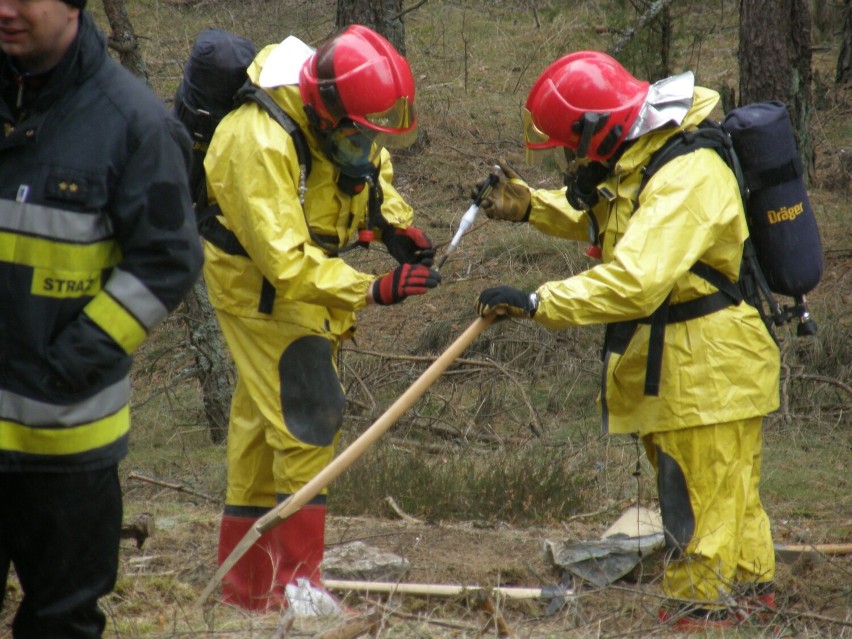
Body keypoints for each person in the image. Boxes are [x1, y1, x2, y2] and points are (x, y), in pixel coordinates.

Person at [473, 51, 780, 632]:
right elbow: (614, 217)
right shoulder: (650, 156)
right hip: (712, 365)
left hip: (704, 372)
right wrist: (530, 206)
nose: (575, 159)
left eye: (575, 145)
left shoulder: (686, 175)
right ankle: (753, 597)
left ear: (600, 129)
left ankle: (701, 612)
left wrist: (541, 302)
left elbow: (636, 280)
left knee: (696, 501)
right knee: (728, 490)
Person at [202, 24, 441, 612]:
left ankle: (247, 592)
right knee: (308, 410)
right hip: (261, 287)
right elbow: (284, 262)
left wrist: (393, 222)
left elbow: (368, 163)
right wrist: (371, 289)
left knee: (263, 426)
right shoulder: (257, 141)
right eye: (355, 132)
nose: (364, 142)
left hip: (304, 278)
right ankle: (297, 588)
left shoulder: (340, 106)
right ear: (325, 111)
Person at [0, 0, 204, 636]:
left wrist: (67, 366)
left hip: (65, 449)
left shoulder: (133, 124)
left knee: (60, 623)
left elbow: (166, 263)